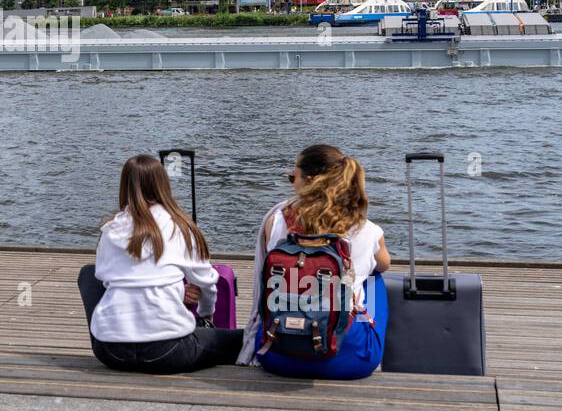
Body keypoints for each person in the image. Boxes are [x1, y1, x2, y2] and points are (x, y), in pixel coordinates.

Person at [77, 154, 246, 374]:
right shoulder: (180, 227)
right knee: (244, 339)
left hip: (110, 351)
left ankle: (113, 329)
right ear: (162, 185)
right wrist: (205, 315)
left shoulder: (109, 231)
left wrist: (171, 289)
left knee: (89, 273)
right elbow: (206, 282)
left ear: (124, 186)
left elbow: (117, 282)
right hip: (168, 351)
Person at [239, 144, 391, 379]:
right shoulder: (367, 229)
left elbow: (263, 284)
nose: (292, 183)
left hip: (276, 354)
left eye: (293, 177)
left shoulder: (277, 220)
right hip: (350, 361)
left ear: (308, 181)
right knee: (374, 278)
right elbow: (385, 264)